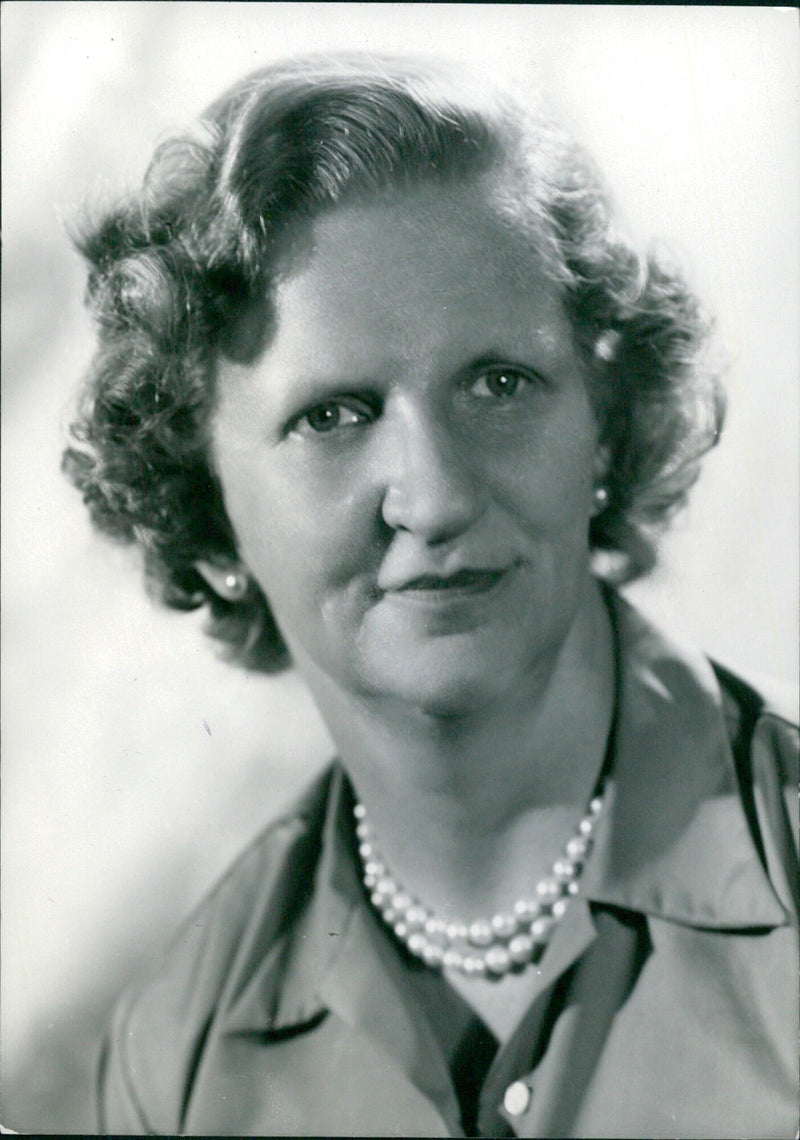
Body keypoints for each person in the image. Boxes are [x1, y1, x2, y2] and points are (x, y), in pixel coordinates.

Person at [63, 54, 798, 1138]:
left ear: (601, 423)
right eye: (332, 416)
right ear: (209, 520)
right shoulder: (179, 1059)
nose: (438, 495)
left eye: (500, 384)